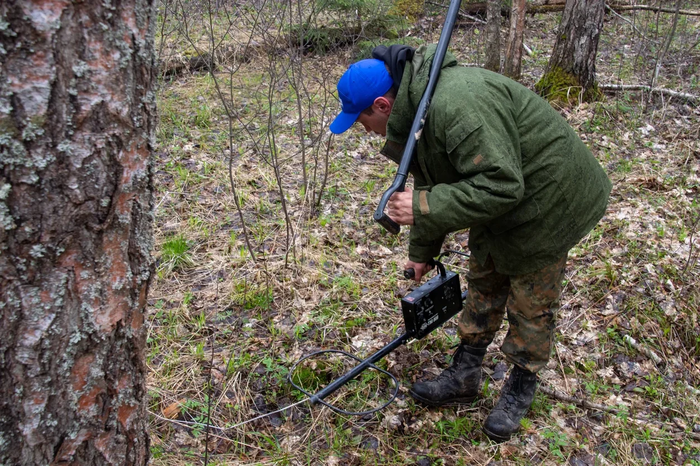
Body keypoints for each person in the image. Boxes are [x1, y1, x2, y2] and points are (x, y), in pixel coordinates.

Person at [329, 44, 612, 441]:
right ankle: (465, 372)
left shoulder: (456, 105)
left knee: (531, 300)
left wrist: (425, 206)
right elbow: (433, 180)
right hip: (504, 192)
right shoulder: (419, 113)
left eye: (360, 121)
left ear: (381, 104)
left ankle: (520, 385)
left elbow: (501, 184)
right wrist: (422, 254)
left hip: (550, 196)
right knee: (484, 275)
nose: (364, 130)